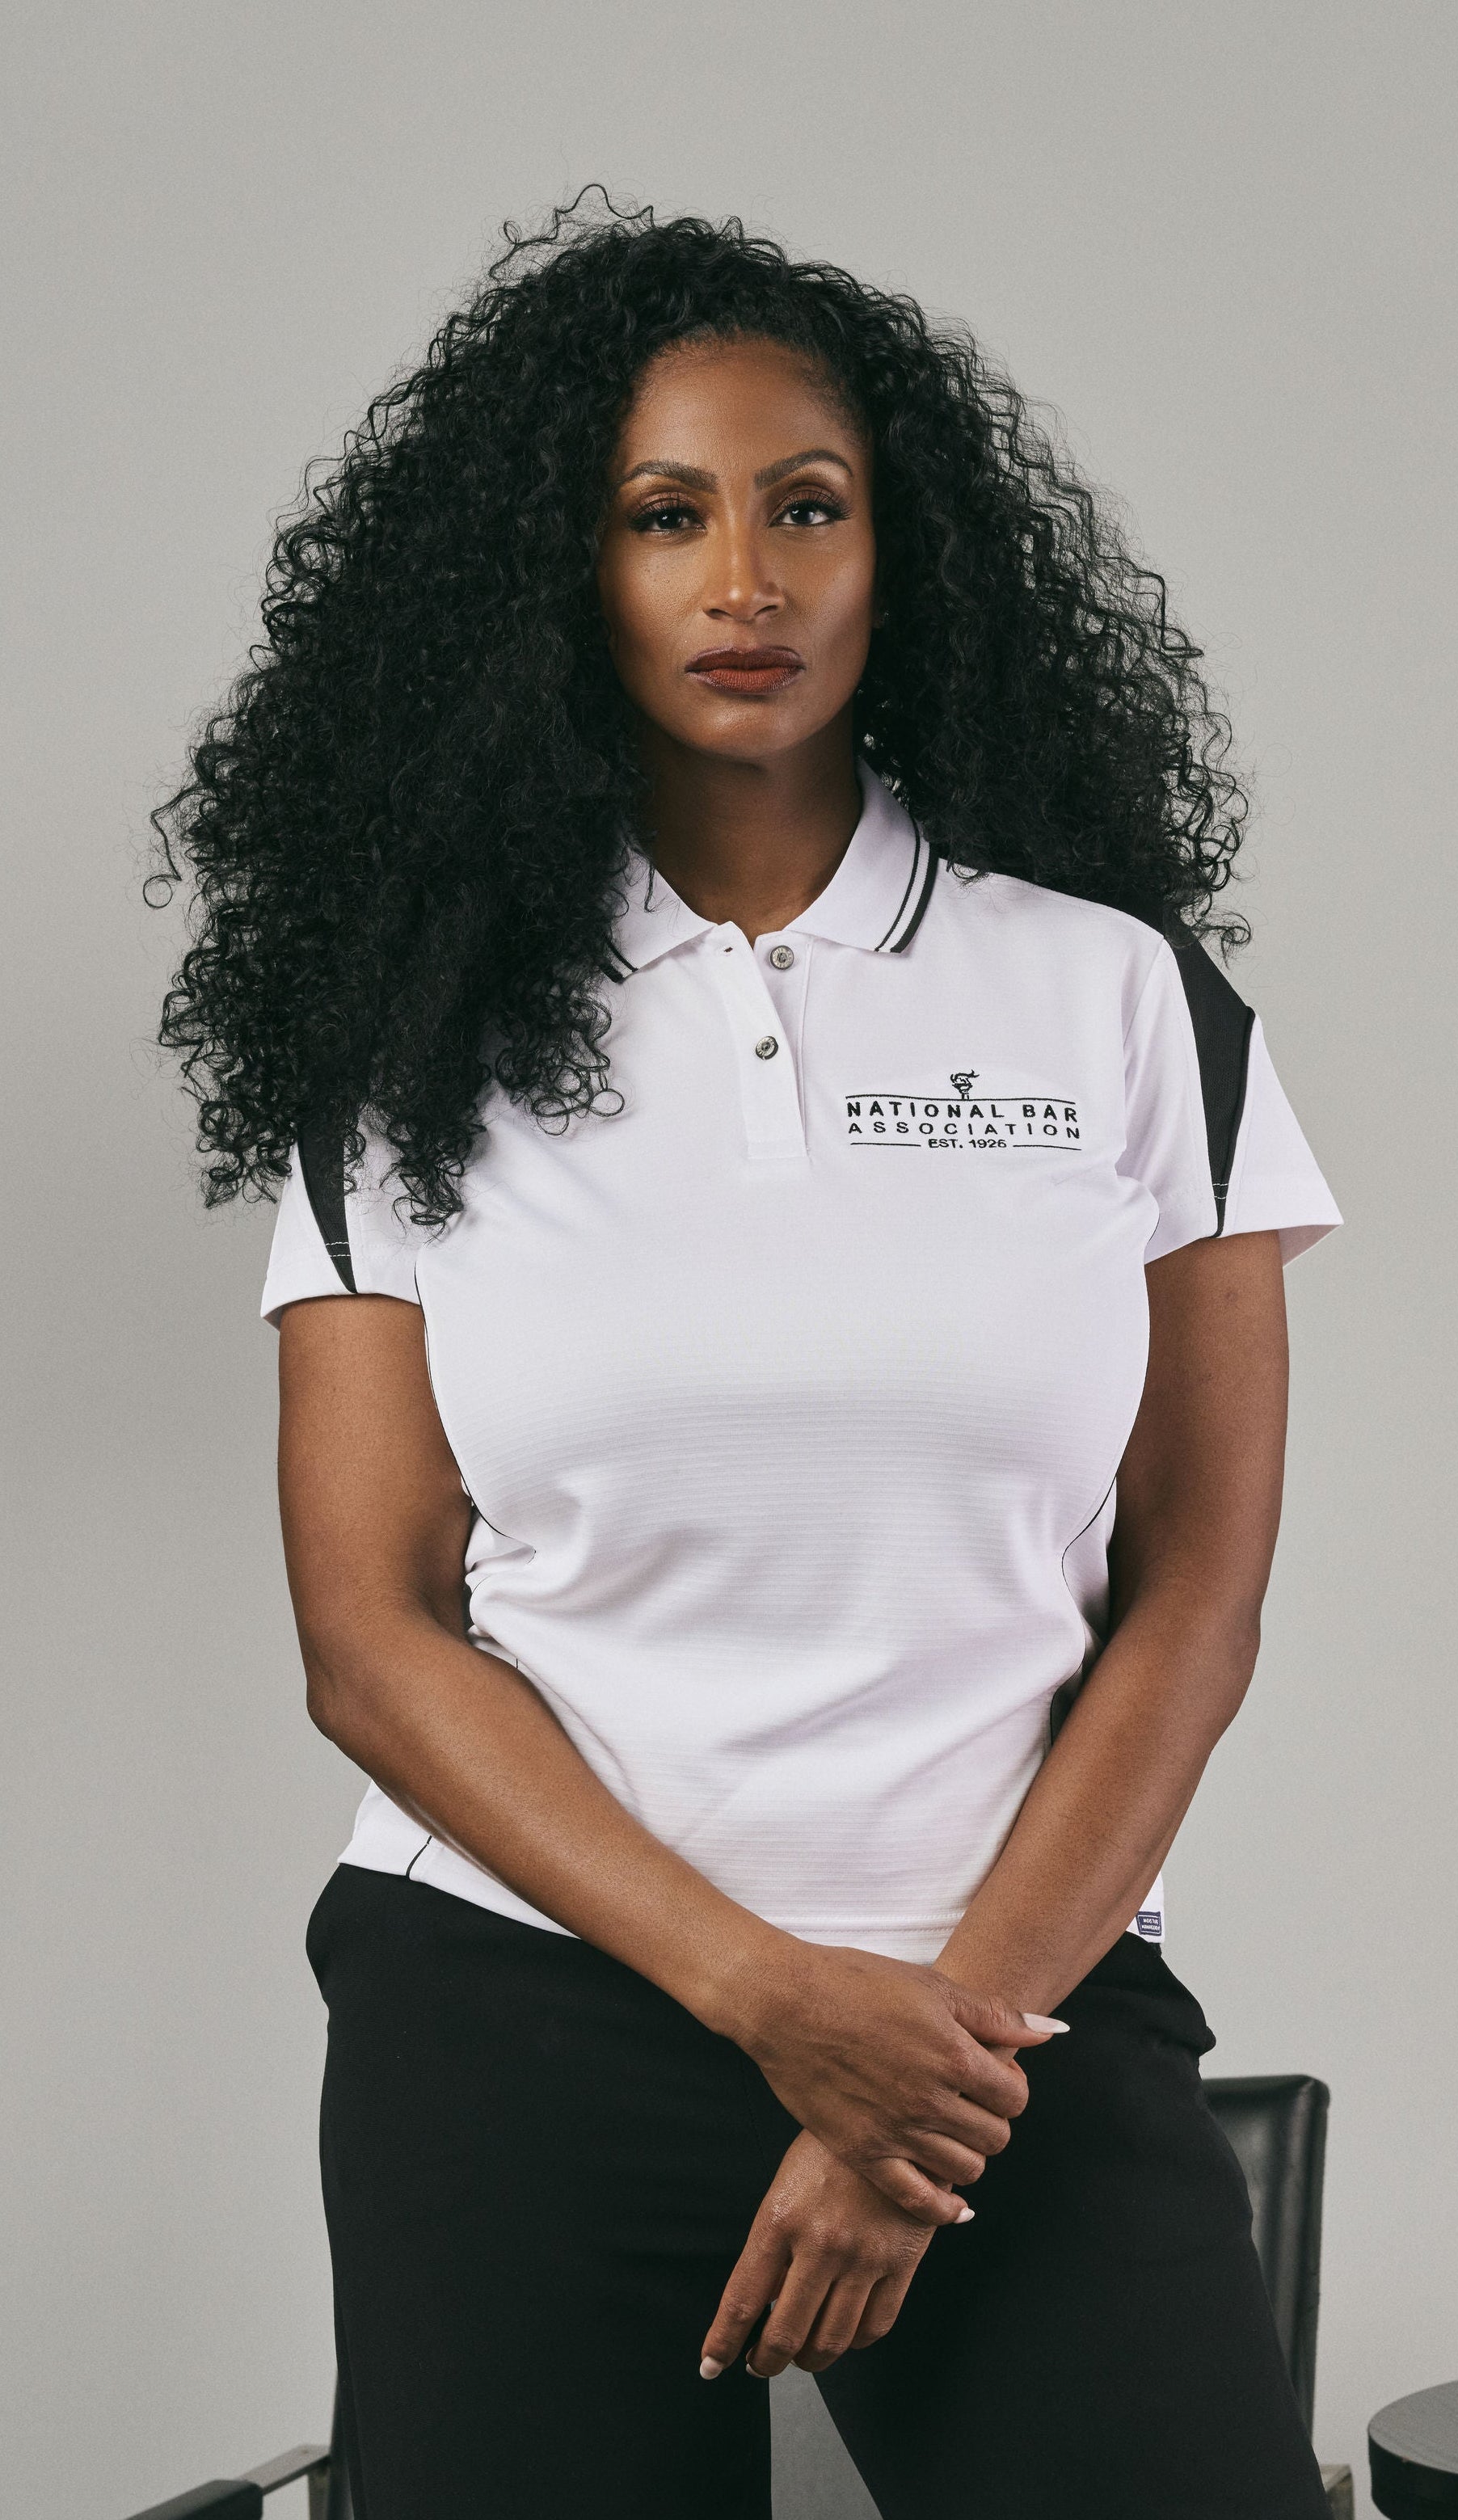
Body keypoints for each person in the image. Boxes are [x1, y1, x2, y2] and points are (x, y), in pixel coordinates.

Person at [153, 194, 1342, 2519]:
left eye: (809, 507)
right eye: (664, 517)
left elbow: (1195, 1593)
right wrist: (771, 2001)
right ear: (560, 582)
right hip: (526, 2004)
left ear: (908, 559)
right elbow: (375, 1637)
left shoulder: (1122, 1006)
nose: (746, 580)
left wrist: (931, 2070)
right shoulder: (414, 1055)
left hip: (1008, 2002)